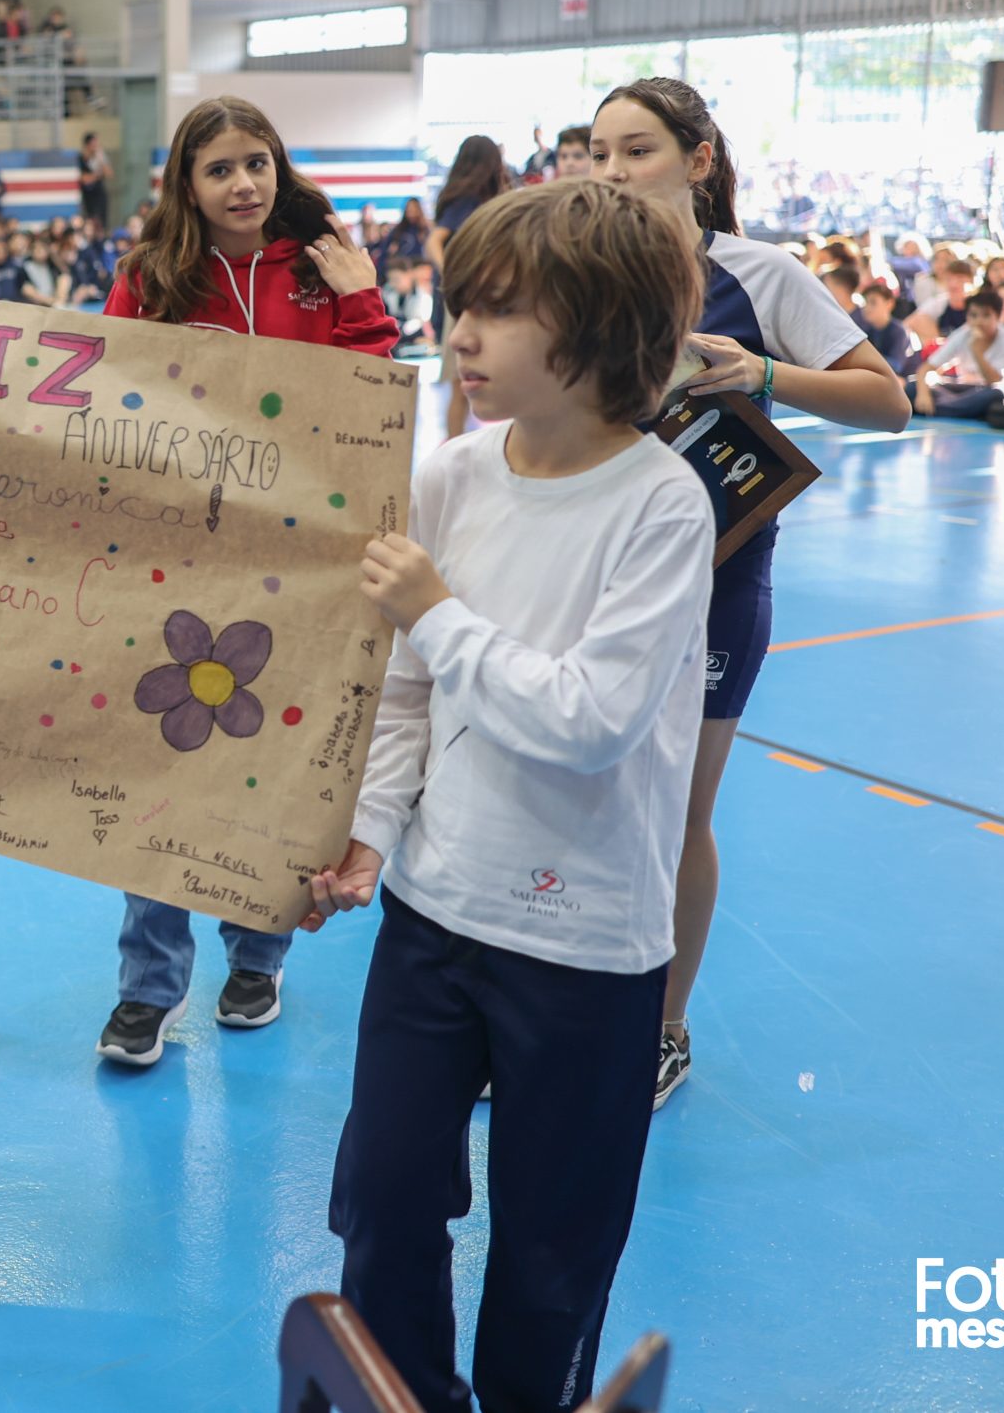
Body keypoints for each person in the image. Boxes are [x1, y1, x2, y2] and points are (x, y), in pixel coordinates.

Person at [301, 179, 714, 1413]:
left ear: (596, 330)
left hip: (587, 947)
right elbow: (407, 690)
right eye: (457, 303)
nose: (459, 334)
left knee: (549, 1260)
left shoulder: (659, 505)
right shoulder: (455, 476)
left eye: (497, 311)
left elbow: (587, 723)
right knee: (380, 1200)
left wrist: (436, 609)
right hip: (434, 916)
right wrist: (372, 835)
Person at [589, 77, 909, 1110]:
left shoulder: (758, 274)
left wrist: (763, 375)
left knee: (679, 812)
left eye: (634, 150)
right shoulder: (584, 276)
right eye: (596, 153)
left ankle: (662, 1027)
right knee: (578, 799)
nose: (611, 173)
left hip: (718, 585)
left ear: (697, 160)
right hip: (590, 575)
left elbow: (887, 401)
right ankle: (568, 1016)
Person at [95, 96, 397, 1066]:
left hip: (302, 567)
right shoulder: (151, 278)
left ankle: (258, 958)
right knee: (166, 769)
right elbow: (110, 398)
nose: (243, 184)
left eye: (257, 163)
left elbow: (375, 397)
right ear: (187, 181)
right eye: (220, 167)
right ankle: (149, 985)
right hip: (181, 562)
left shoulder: (321, 266)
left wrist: (356, 294)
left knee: (276, 774)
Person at [430, 134, 512, 437]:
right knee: (460, 383)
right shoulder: (468, 199)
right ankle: (453, 450)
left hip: (481, 300)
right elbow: (434, 241)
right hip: (469, 302)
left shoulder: (473, 197)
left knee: (465, 385)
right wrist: (457, 276)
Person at [914, 288, 1004, 419]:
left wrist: (977, 351)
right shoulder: (962, 334)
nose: (979, 321)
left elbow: (994, 380)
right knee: (912, 387)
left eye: (986, 315)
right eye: (973, 315)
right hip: (964, 391)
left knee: (996, 394)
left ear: (998, 316)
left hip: (992, 392)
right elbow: (925, 368)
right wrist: (923, 394)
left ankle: (938, 409)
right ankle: (949, 408)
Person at [77, 129, 111, 231]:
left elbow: (109, 173)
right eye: (94, 143)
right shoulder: (81, 159)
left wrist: (101, 158)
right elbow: (84, 179)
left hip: (99, 195)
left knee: (102, 221)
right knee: (90, 220)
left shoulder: (98, 158)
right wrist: (98, 175)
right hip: (88, 197)